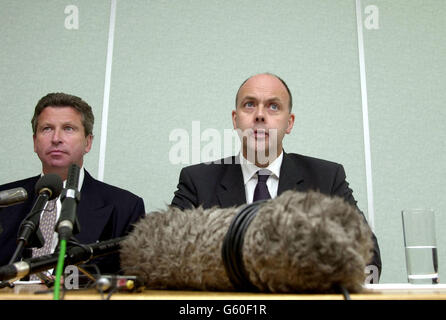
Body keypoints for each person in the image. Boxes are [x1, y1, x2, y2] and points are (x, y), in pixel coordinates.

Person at [171, 73, 382, 276]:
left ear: (289, 123)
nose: (260, 115)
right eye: (250, 104)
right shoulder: (197, 181)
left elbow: (367, 254)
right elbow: (167, 253)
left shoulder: (326, 178)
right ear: (235, 120)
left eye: (273, 106)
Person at [0, 92, 145, 275]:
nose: (56, 138)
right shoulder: (4, 200)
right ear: (35, 142)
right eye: (47, 129)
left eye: (68, 128)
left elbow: (129, 282)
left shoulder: (125, 207)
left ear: (88, 142)